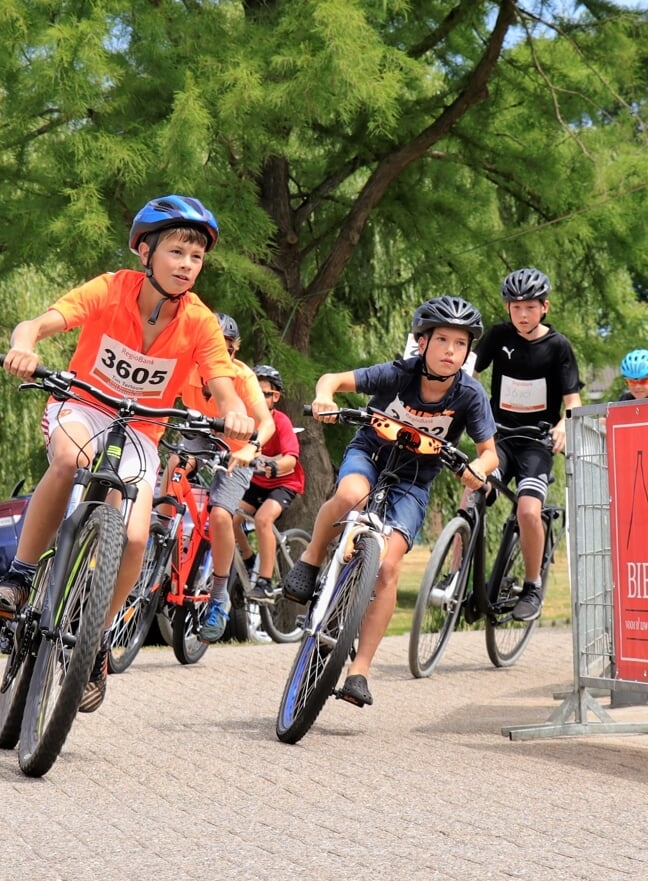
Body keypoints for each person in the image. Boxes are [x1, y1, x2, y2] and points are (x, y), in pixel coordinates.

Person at [0, 195, 254, 712]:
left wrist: (235, 411)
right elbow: (37, 325)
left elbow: (223, 384)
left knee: (133, 535)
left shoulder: (199, 321)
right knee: (67, 462)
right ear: (144, 252)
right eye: (176, 252)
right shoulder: (110, 289)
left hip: (141, 432)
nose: (187, 266)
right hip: (82, 407)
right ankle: (18, 579)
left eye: (196, 258)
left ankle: (97, 642)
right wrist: (26, 347)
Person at [289, 297, 497, 709]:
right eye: (442, 340)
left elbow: (489, 451)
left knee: (387, 567)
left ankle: (360, 670)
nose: (450, 350)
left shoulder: (470, 395)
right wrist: (325, 399)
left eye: (460, 343)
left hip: (414, 481)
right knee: (348, 496)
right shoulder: (398, 373)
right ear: (422, 342)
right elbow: (331, 379)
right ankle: (312, 558)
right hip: (370, 455)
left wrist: (479, 468)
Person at [468, 268, 582, 621]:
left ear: (544, 307)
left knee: (529, 511)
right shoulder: (499, 336)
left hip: (535, 445)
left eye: (530, 307)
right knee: (472, 485)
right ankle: (456, 574)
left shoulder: (558, 346)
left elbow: (573, 402)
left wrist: (565, 425)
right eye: (515, 307)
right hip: (498, 438)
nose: (522, 314)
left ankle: (532, 585)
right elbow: (467, 372)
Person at [177, 313, 274, 644]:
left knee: (221, 514)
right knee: (172, 469)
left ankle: (219, 596)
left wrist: (252, 448)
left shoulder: (243, 377)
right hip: (198, 433)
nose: (222, 358)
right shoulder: (184, 368)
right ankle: (159, 543)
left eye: (229, 350)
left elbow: (266, 422)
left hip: (237, 450)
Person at [237, 364, 301, 602]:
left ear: (276, 397)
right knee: (230, 517)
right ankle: (248, 559)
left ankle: (265, 582)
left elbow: (291, 459)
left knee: (264, 519)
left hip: (284, 483)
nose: (258, 398)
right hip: (257, 482)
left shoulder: (281, 422)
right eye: (254, 391)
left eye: (264, 393)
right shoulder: (245, 421)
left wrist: (274, 466)